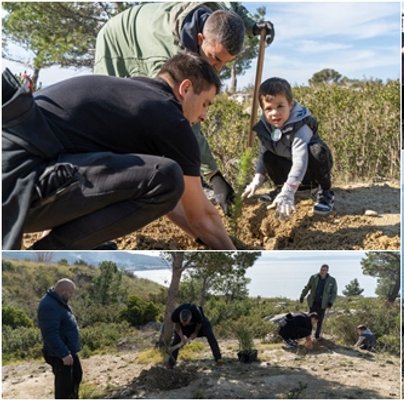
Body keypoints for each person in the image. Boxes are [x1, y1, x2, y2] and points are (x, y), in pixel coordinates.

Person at [2, 53, 236, 250]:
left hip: (17, 176)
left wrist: (201, 238)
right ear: (185, 88)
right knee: (168, 176)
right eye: (206, 103)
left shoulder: (131, 96)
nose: (204, 116)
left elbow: (166, 200)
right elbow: (201, 215)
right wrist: (231, 252)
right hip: (17, 190)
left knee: (163, 179)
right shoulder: (171, 118)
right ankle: (46, 253)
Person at [95, 2, 273, 214]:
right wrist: (214, 175)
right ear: (200, 39)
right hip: (118, 38)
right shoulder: (170, 60)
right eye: (215, 58)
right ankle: (108, 192)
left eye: (226, 62)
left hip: (151, 25)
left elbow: (231, 5)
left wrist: (253, 26)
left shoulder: (217, 10)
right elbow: (184, 120)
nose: (217, 69)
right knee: (113, 113)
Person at [242, 77, 335, 218]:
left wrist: (289, 191)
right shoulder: (266, 126)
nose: (274, 113)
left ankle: (325, 192)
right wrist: (257, 179)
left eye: (280, 106)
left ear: (290, 105)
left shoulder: (300, 125)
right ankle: (280, 189)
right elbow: (264, 152)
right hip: (290, 168)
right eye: (268, 108)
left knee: (317, 151)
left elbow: (300, 160)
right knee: (269, 156)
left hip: (310, 170)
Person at [37, 279, 81, 399]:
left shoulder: (58, 301)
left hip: (67, 351)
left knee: (76, 377)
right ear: (63, 291)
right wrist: (64, 354)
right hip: (60, 354)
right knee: (64, 390)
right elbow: (50, 334)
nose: (72, 296)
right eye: (71, 293)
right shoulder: (49, 305)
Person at [168, 303, 223, 367]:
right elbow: (177, 326)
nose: (184, 324)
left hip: (200, 324)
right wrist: (182, 337)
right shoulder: (175, 315)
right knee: (176, 339)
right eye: (182, 322)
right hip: (185, 328)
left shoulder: (197, 313)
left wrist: (195, 333)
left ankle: (218, 359)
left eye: (185, 323)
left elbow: (199, 324)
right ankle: (171, 363)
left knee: (210, 335)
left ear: (190, 317)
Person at [299, 264, 338, 340]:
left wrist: (331, 302)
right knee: (310, 319)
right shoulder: (314, 277)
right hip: (313, 302)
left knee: (320, 320)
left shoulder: (332, 280)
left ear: (327, 271)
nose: (322, 271)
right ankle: (308, 335)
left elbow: (334, 293)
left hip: (323, 304)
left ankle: (317, 336)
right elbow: (307, 287)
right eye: (321, 270)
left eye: (324, 270)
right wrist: (302, 296)